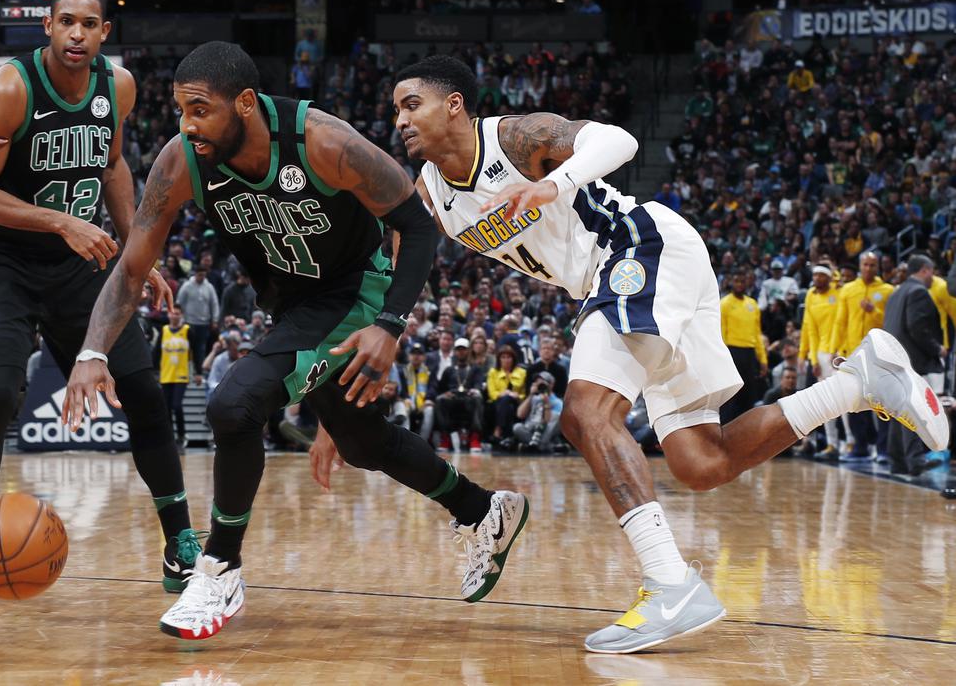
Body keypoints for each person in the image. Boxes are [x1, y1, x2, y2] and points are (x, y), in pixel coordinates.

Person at [383, 54, 947, 653]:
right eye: (395, 109)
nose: (400, 120)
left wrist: (554, 182)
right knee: (701, 462)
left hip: (636, 247)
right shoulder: (428, 198)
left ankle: (670, 585)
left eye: (411, 103)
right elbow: (396, 268)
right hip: (648, 269)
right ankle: (857, 384)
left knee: (584, 415)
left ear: (454, 105)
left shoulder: (513, 138)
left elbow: (617, 140)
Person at [62, 41, 526, 640]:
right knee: (361, 441)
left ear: (247, 104)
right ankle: (482, 510)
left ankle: (220, 566)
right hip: (292, 308)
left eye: (201, 109)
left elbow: (413, 225)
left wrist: (389, 326)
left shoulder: (321, 142)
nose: (188, 125)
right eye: (181, 110)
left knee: (235, 403)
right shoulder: (182, 163)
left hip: (355, 293)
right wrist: (93, 352)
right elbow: (131, 269)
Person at [0, 0, 199, 605]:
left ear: (104, 33)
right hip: (8, 262)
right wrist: (60, 220)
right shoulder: (8, 88)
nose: (78, 34)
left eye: (91, 24)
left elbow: (112, 164)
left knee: (142, 389)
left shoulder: (119, 87)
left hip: (82, 266)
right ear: (49, 27)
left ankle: (181, 545)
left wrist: (137, 247)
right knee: (1, 387)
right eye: (67, 23)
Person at [882, 255, 946, 476]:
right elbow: (917, 327)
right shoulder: (918, 292)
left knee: (899, 410)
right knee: (913, 410)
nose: (933, 277)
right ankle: (915, 460)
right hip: (911, 359)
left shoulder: (896, 292)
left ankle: (897, 461)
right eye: (933, 272)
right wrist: (937, 348)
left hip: (893, 359)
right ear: (926, 270)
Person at [827, 251, 895, 460]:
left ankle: (883, 450)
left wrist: (874, 311)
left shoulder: (887, 290)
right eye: (865, 264)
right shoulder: (848, 290)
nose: (868, 268)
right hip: (853, 355)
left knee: (881, 403)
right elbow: (840, 322)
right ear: (860, 266)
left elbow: (891, 322)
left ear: (878, 267)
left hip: (878, 356)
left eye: (873, 265)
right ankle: (861, 448)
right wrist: (834, 348)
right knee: (854, 401)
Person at [797, 265, 842, 455]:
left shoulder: (839, 293)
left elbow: (841, 324)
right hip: (821, 355)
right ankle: (832, 444)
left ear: (829, 277)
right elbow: (810, 329)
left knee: (845, 401)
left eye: (821, 275)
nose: (816, 277)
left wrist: (836, 349)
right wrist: (811, 357)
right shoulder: (810, 295)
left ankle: (851, 442)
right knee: (828, 402)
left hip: (839, 352)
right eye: (814, 274)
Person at [720, 271, 767, 422]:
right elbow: (721, 333)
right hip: (732, 351)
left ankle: (748, 427)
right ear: (732, 283)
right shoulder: (725, 303)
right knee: (731, 394)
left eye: (742, 281)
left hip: (750, 353)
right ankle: (725, 427)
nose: (739, 284)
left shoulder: (752, 304)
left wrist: (763, 359)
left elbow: (757, 333)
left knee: (749, 394)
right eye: (737, 281)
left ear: (747, 283)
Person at [435, 338, 486, 451]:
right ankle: (445, 438)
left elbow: (479, 385)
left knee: (477, 397)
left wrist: (475, 390)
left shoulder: (475, 368)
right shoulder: (449, 369)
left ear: (468, 351)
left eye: (463, 349)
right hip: (452, 398)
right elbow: (441, 388)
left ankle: (475, 438)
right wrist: (445, 393)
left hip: (469, 397)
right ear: (455, 351)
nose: (461, 352)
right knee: (440, 399)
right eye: (458, 350)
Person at [177, 266, 220, 380]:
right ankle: (185, 371)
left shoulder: (209, 287)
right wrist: (180, 320)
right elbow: (179, 303)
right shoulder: (187, 286)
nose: (202, 277)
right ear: (195, 274)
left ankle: (199, 373)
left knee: (200, 348)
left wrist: (214, 319)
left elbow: (214, 304)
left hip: (204, 323)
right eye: (200, 275)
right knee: (187, 348)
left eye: (203, 275)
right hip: (188, 322)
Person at [157, 308, 191, 445]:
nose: (174, 315)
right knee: (167, 408)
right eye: (172, 312)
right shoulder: (163, 330)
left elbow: (196, 350)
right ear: (168, 314)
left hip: (181, 374)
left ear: (181, 315)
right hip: (166, 373)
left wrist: (199, 372)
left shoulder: (188, 330)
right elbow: (156, 352)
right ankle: (170, 437)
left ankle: (182, 435)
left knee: (176, 405)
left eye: (177, 313)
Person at [486, 344, 526, 449]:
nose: (506, 360)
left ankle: (498, 430)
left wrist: (518, 396)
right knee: (506, 401)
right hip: (497, 402)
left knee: (508, 401)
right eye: (503, 357)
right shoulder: (493, 372)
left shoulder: (522, 372)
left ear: (513, 359)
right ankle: (508, 436)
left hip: (517, 402)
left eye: (509, 357)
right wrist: (503, 393)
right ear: (499, 359)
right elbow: (492, 393)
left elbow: (524, 394)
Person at [513, 371, 562, 452]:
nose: (540, 385)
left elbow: (549, 422)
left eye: (542, 383)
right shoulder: (534, 398)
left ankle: (535, 446)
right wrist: (531, 395)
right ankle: (546, 446)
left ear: (551, 384)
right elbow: (520, 414)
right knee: (517, 427)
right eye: (537, 383)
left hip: (546, 431)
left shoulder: (558, 402)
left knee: (556, 417)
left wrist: (546, 403)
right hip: (531, 429)